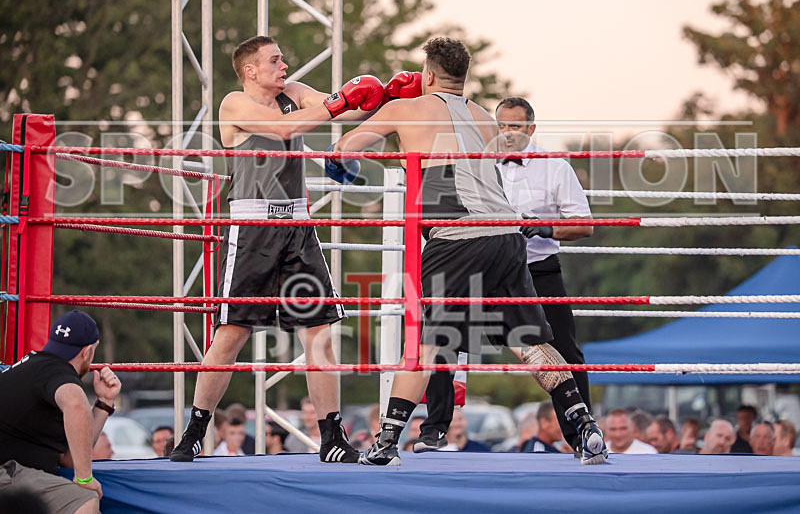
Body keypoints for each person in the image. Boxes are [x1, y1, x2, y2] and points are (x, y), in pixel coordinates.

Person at [335, 37, 606, 466]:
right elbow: (422, 156)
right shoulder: (484, 119)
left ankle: (386, 442)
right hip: (507, 237)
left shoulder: (407, 109)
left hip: (456, 238)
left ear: (427, 74)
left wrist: (374, 107)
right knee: (528, 340)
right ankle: (586, 425)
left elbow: (344, 152)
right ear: (463, 76)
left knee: (425, 342)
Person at [170, 34, 399, 465]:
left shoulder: (294, 93)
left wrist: (384, 94)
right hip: (252, 228)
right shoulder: (234, 104)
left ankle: (331, 437)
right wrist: (340, 102)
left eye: (282, 59)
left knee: (320, 334)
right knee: (231, 333)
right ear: (250, 70)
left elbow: (346, 107)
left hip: (297, 225)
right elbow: (285, 129)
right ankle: (195, 432)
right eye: (274, 60)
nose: (284, 66)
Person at [494, 96, 594, 453]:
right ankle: (434, 433)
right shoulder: (479, 163)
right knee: (442, 335)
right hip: (491, 270)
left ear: (531, 129)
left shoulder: (555, 166)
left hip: (539, 269)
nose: (507, 133)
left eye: (515, 126)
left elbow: (584, 225)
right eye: (501, 126)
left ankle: (583, 437)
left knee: (565, 351)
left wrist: (546, 228)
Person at [0, 311, 121, 514]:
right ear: (87, 352)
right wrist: (85, 479)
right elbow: (76, 404)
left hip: (12, 471)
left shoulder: (37, 367)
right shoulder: (59, 373)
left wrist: (104, 403)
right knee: (85, 501)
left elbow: (70, 458)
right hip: (7, 472)